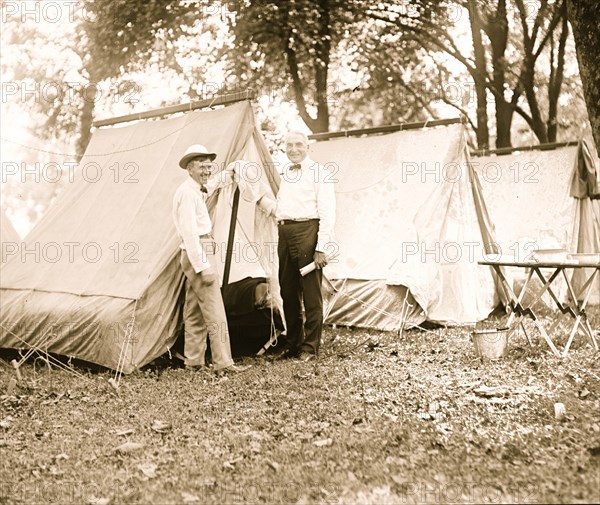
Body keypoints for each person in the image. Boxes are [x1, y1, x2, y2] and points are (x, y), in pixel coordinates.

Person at [172, 143, 249, 375]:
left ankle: (193, 361)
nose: (207, 171)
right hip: (199, 250)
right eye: (202, 167)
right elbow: (189, 232)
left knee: (195, 310)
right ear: (190, 169)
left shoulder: (197, 188)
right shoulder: (187, 193)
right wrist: (203, 266)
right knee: (215, 309)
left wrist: (229, 172)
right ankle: (224, 363)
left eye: (209, 167)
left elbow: (213, 183)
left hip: (200, 249)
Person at [275, 131, 336, 362]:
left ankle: (310, 347)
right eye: (289, 145)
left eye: (298, 144)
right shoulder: (284, 173)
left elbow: (328, 212)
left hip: (308, 232)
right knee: (287, 291)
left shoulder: (321, 173)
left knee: (310, 293)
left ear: (307, 147)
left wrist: (321, 247)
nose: (293, 149)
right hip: (285, 232)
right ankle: (293, 344)